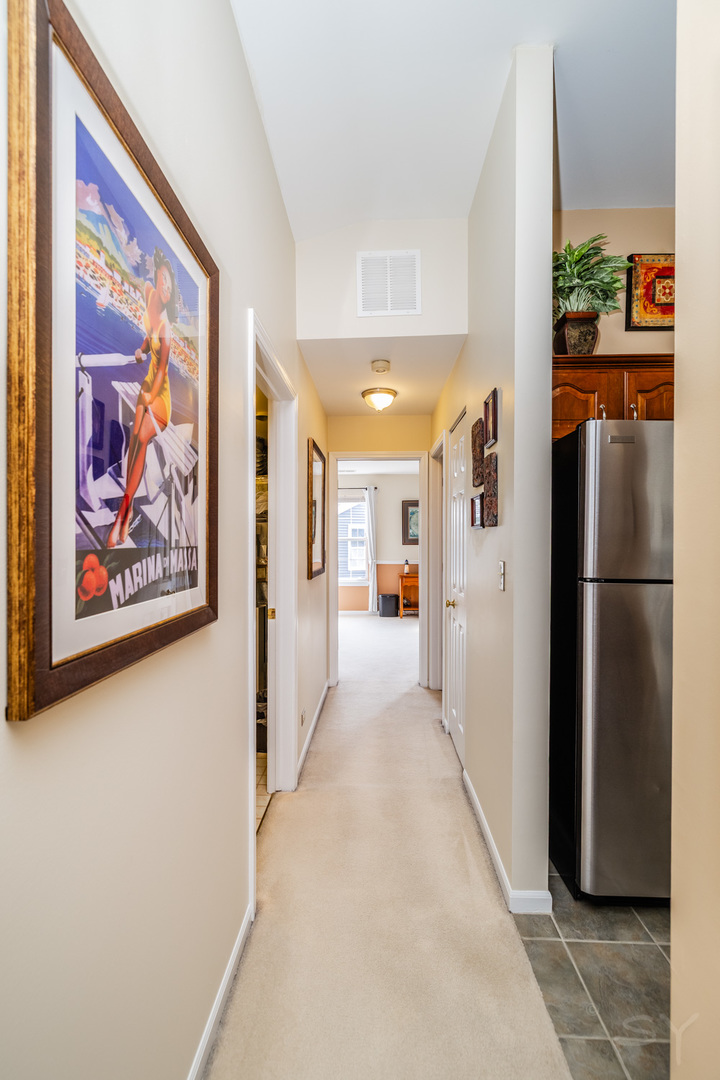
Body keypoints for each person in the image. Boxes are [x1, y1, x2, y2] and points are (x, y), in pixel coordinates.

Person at [107, 248, 177, 548]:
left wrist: (149, 396)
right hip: (147, 384)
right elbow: (149, 339)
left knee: (141, 442)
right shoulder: (149, 296)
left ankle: (121, 517)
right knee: (133, 442)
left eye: (169, 284)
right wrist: (141, 349)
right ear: (156, 278)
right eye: (164, 279)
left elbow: (162, 370)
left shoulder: (167, 328)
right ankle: (127, 509)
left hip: (160, 396)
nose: (166, 286)